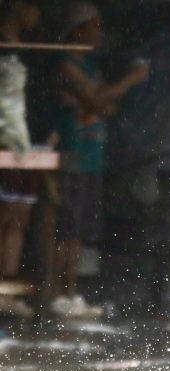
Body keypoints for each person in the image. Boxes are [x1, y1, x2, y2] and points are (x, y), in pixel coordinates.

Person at [49, 1, 149, 317]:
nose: (99, 33)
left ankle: (70, 292)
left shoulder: (91, 65)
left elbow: (105, 106)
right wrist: (130, 80)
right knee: (65, 228)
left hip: (93, 155)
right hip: (73, 152)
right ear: (79, 28)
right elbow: (98, 99)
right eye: (95, 26)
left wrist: (99, 100)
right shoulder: (66, 64)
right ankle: (56, 293)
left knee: (78, 230)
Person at [0, 0, 42, 317]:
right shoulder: (5, 44)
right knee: (7, 214)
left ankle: (7, 290)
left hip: (20, 141)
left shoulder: (24, 47)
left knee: (18, 218)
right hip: (7, 138)